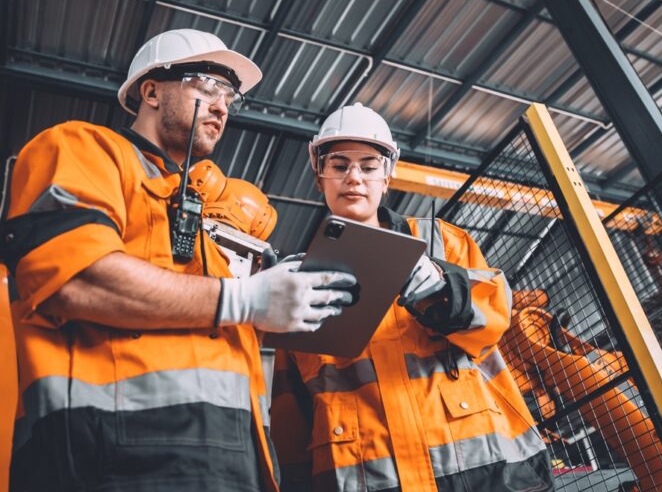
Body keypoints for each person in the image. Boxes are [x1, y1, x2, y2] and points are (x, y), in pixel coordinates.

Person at [0, 29, 356, 492]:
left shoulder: (213, 214)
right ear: (151, 91)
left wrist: (287, 304)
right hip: (110, 455)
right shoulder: (83, 150)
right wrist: (244, 299)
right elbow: (77, 277)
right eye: (206, 87)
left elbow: (222, 318)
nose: (221, 106)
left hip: (234, 457)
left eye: (229, 95)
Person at [270, 103, 553, 491]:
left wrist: (442, 288)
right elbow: (291, 415)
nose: (354, 177)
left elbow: (494, 318)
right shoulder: (299, 285)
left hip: (483, 474)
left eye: (369, 166)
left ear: (387, 175)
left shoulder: (442, 242)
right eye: (339, 165)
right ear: (320, 176)